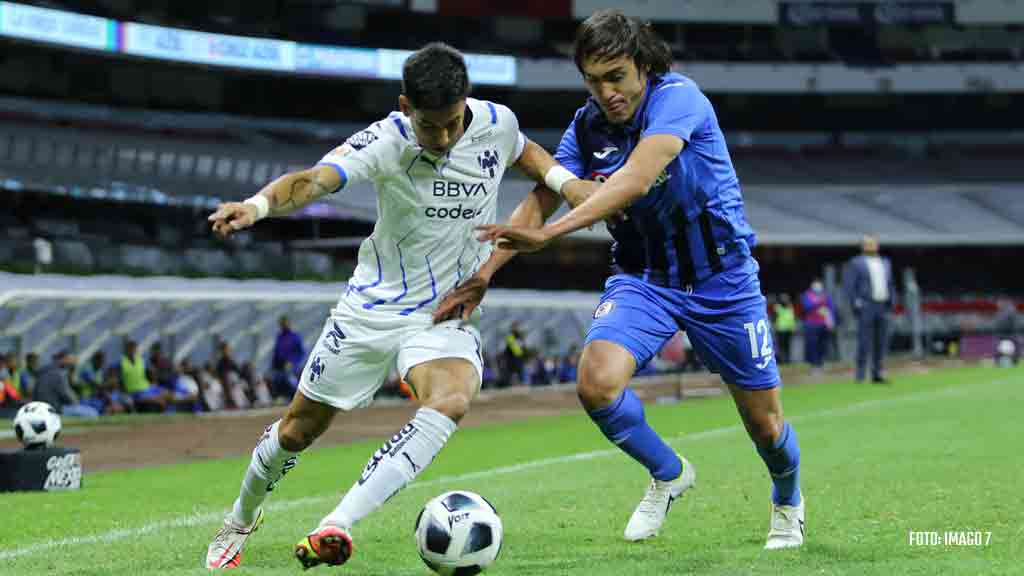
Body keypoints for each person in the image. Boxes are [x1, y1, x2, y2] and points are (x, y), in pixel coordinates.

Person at [203, 42, 586, 569]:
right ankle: (241, 517)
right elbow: (314, 180)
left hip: (446, 309)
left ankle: (335, 523)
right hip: (372, 308)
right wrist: (257, 205)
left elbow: (530, 155)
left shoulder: (495, 122)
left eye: (454, 123)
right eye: (433, 127)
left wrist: (569, 184)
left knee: (451, 399)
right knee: (298, 430)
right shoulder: (384, 141)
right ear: (406, 107)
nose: (447, 137)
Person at [460, 10, 805, 549]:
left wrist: (554, 236)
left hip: (722, 280)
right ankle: (669, 474)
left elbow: (638, 178)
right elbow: (544, 196)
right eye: (593, 80)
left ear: (643, 66)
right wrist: (485, 274)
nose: (606, 92)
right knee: (596, 383)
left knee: (766, 427)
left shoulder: (679, 99)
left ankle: (788, 501)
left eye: (616, 76)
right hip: (646, 277)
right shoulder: (587, 124)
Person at [842, 235, 895, 383]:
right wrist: (856, 303)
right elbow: (850, 285)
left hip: (882, 305)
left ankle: (877, 373)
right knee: (864, 341)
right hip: (867, 305)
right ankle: (860, 374)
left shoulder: (885, 262)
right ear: (863, 246)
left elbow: (890, 284)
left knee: (881, 341)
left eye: (874, 244)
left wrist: (892, 301)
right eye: (869, 244)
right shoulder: (856, 262)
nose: (872, 246)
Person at [32, 350, 100, 418]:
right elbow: (67, 396)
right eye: (69, 359)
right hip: (55, 409)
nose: (72, 362)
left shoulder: (45, 371)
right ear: (63, 359)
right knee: (93, 413)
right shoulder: (58, 373)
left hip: (40, 407)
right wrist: (76, 402)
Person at [801, 279, 835, 371]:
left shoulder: (825, 295)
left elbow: (831, 308)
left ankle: (821, 363)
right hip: (811, 324)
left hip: (823, 324)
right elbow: (806, 307)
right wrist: (817, 302)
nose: (817, 286)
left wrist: (831, 321)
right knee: (812, 345)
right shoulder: (807, 295)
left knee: (822, 345)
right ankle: (814, 365)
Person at [270, 315, 305, 399]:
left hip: (293, 366)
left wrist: (292, 362)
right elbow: (276, 353)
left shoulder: (295, 337)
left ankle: (297, 395)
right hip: (280, 366)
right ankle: (281, 396)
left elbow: (301, 353)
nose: (284, 325)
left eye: (285, 323)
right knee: (275, 377)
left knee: (289, 378)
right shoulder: (279, 337)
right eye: (282, 324)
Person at [773, 294, 796, 364]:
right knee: (780, 346)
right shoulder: (777, 307)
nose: (785, 300)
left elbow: (792, 318)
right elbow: (774, 318)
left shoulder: (790, 307)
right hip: (780, 330)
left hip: (788, 329)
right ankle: (781, 360)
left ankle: (787, 360)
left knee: (787, 346)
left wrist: (793, 327)